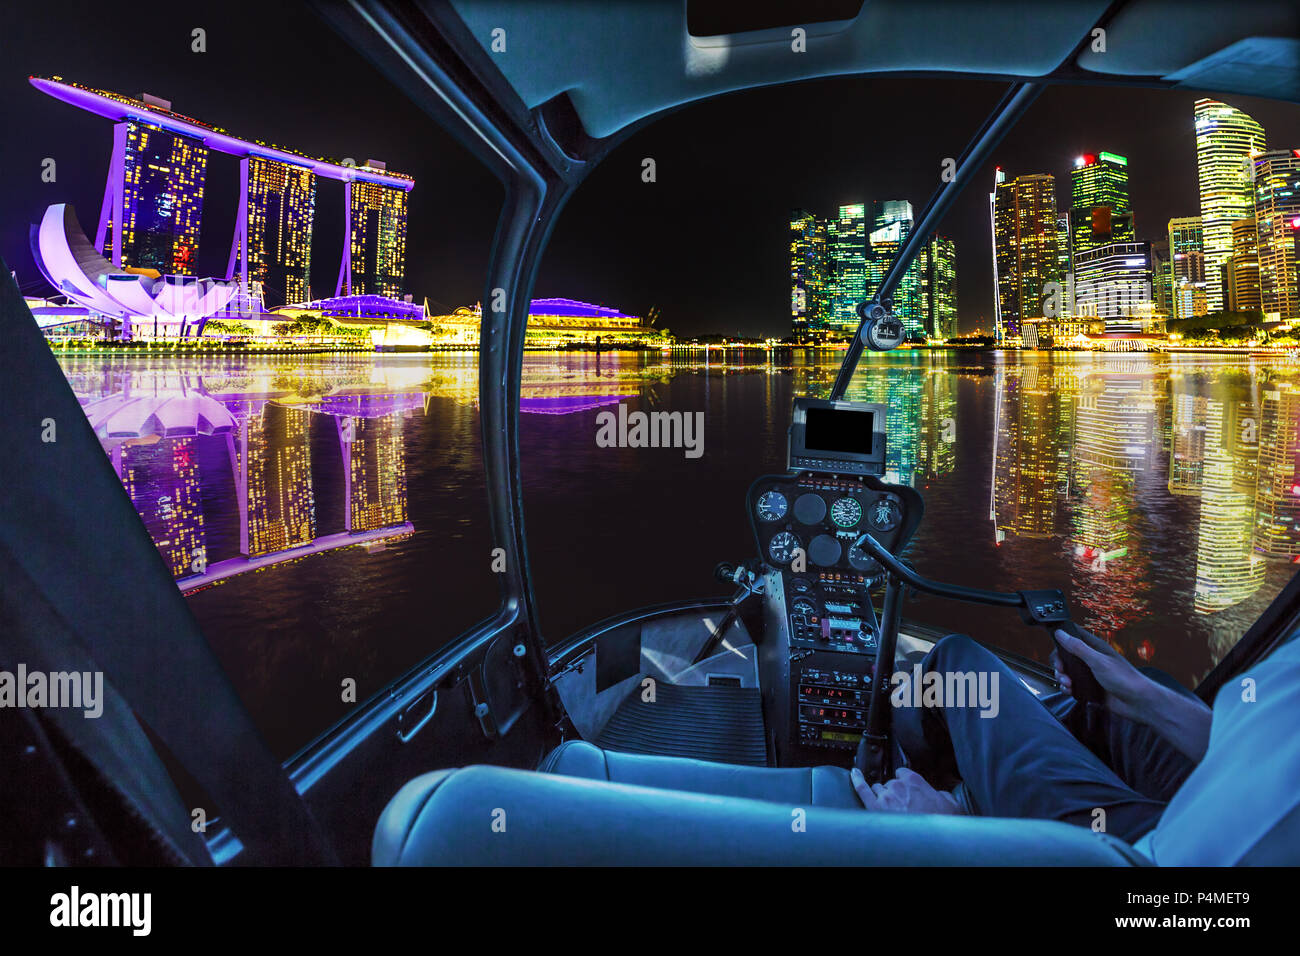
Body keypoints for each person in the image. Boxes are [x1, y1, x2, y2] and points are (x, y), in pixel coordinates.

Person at [850, 627, 1300, 864]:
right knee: (1122, 701)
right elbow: (1265, 747)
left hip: (1147, 856)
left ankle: (948, 787)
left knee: (961, 668)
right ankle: (995, 783)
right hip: (1224, 794)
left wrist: (951, 840)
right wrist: (1142, 698)